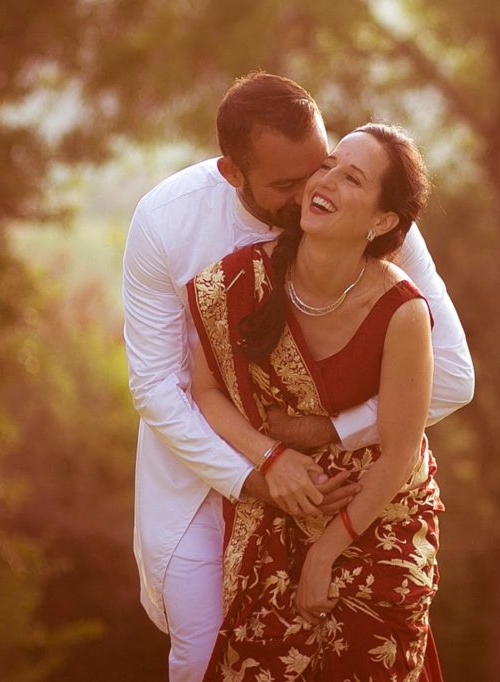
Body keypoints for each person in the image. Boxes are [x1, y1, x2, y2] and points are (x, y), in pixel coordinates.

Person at [122, 72, 474, 681]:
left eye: (324, 164)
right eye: (288, 182)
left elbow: (451, 378)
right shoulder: (169, 226)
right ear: (233, 174)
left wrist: (325, 432)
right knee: (208, 652)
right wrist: (261, 468)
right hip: (199, 470)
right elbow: (160, 388)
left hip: (345, 493)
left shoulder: (380, 229)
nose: (313, 187)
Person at [189, 122, 443, 681]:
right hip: (278, 506)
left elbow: (400, 453)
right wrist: (270, 458)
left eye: (351, 177)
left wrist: (325, 554)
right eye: (327, 165)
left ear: (382, 221)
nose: (324, 180)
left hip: (379, 522)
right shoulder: (239, 281)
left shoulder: (402, 311)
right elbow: (206, 391)